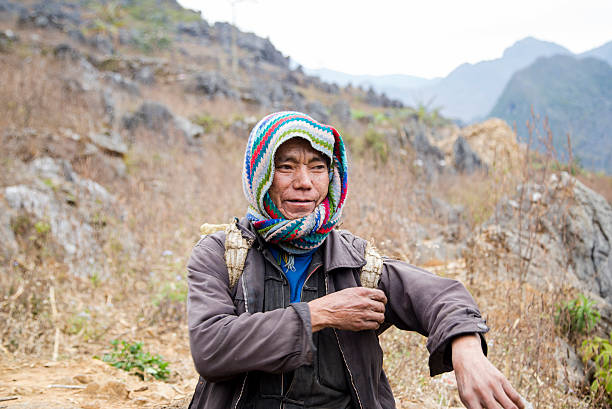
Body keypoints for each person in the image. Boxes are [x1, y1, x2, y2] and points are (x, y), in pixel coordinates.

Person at [186, 111, 525, 409]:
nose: (304, 183)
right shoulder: (222, 252)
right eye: (286, 167)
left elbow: (439, 296)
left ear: (331, 179)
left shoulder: (359, 261)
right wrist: (321, 313)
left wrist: (467, 350)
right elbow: (211, 348)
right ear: (259, 174)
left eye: (317, 168)